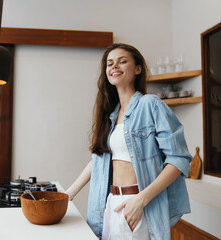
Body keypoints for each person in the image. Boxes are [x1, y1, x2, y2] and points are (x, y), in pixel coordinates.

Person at [65, 43, 192, 240]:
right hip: (110, 203)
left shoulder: (150, 104)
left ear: (137, 69)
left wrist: (140, 200)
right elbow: (99, 159)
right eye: (110, 63)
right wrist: (68, 194)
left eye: (122, 61)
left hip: (138, 203)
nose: (114, 66)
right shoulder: (111, 115)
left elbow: (179, 159)